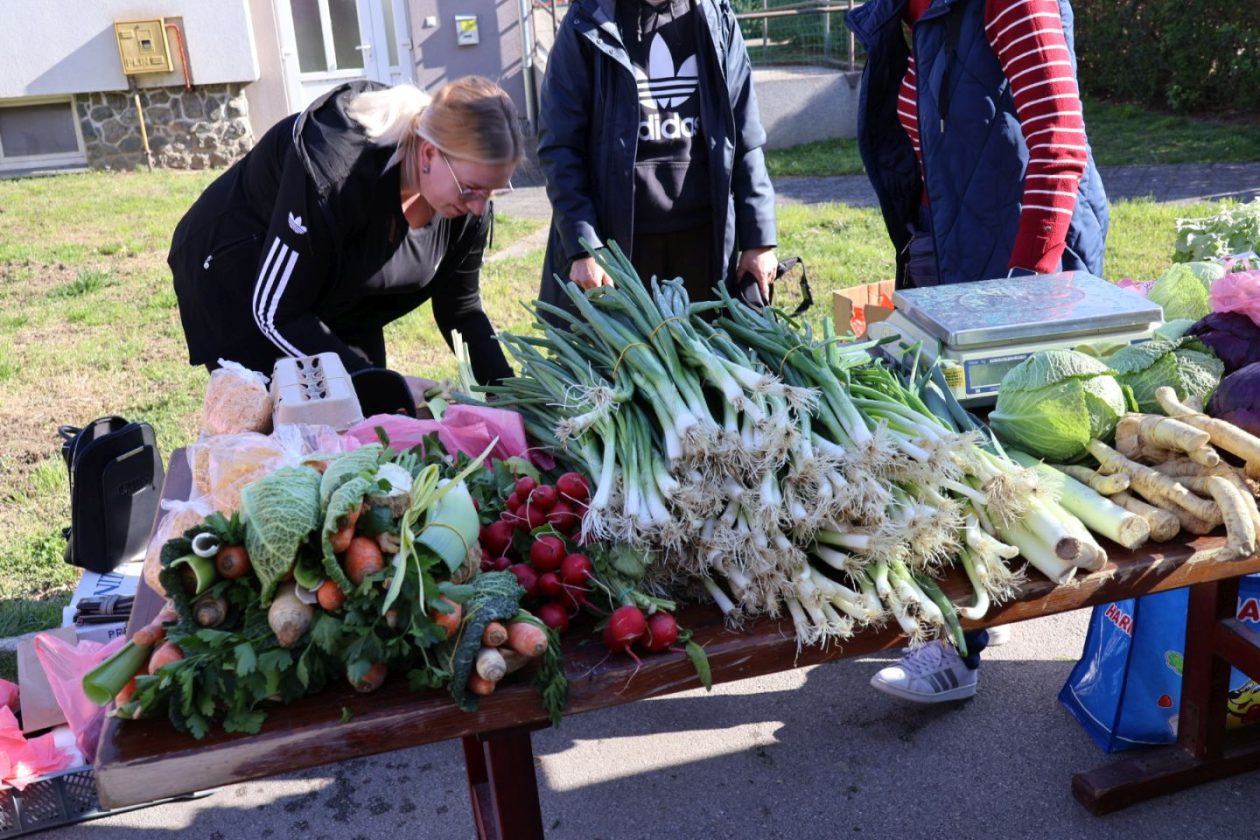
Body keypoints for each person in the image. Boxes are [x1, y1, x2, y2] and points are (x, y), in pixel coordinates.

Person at [847, 0, 1108, 702]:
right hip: (952, 251)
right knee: (950, 447)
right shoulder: (907, 9)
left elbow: (1058, 136)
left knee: (980, 455)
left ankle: (956, 652)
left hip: (1021, 263)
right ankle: (967, 619)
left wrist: (1028, 288)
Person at [169, 77, 521, 395]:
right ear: (429, 153)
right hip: (239, 276)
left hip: (338, 291)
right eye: (471, 190)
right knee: (279, 426)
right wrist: (383, 385)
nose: (478, 207)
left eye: (491, 192)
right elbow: (276, 313)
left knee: (363, 411)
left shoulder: (468, 203)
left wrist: (515, 399)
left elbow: (461, 311)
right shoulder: (334, 175)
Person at [537, 0, 779, 314]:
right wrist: (585, 246)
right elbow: (560, 145)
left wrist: (759, 240)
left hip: (705, 240)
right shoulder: (587, 20)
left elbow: (745, 136)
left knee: (705, 358)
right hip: (619, 250)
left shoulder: (717, 17)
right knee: (625, 361)